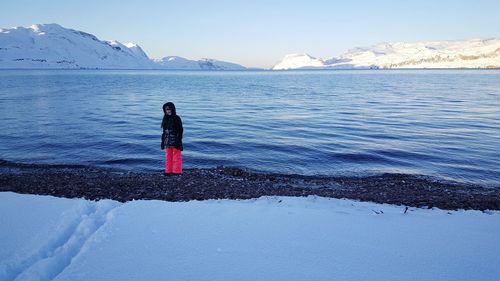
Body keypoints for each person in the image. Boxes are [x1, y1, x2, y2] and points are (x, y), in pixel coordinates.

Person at [161, 102, 183, 175]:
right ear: (165, 111)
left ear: (173, 109)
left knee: (176, 157)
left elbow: (180, 130)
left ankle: (177, 172)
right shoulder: (165, 119)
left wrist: (178, 141)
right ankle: (168, 171)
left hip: (175, 140)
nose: (168, 111)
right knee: (168, 157)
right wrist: (162, 142)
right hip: (167, 141)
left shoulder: (177, 118)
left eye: (169, 109)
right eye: (166, 109)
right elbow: (164, 132)